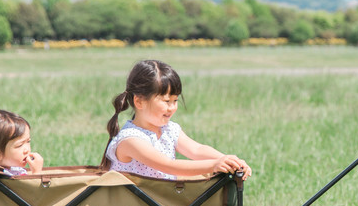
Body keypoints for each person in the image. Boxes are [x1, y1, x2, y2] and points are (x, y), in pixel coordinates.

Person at [101, 59, 252, 180]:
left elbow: (197, 150)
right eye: (166, 101)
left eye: (175, 101)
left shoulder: (169, 130)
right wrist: (215, 165)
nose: (172, 107)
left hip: (163, 204)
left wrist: (230, 160)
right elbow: (168, 165)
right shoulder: (130, 140)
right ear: (139, 102)